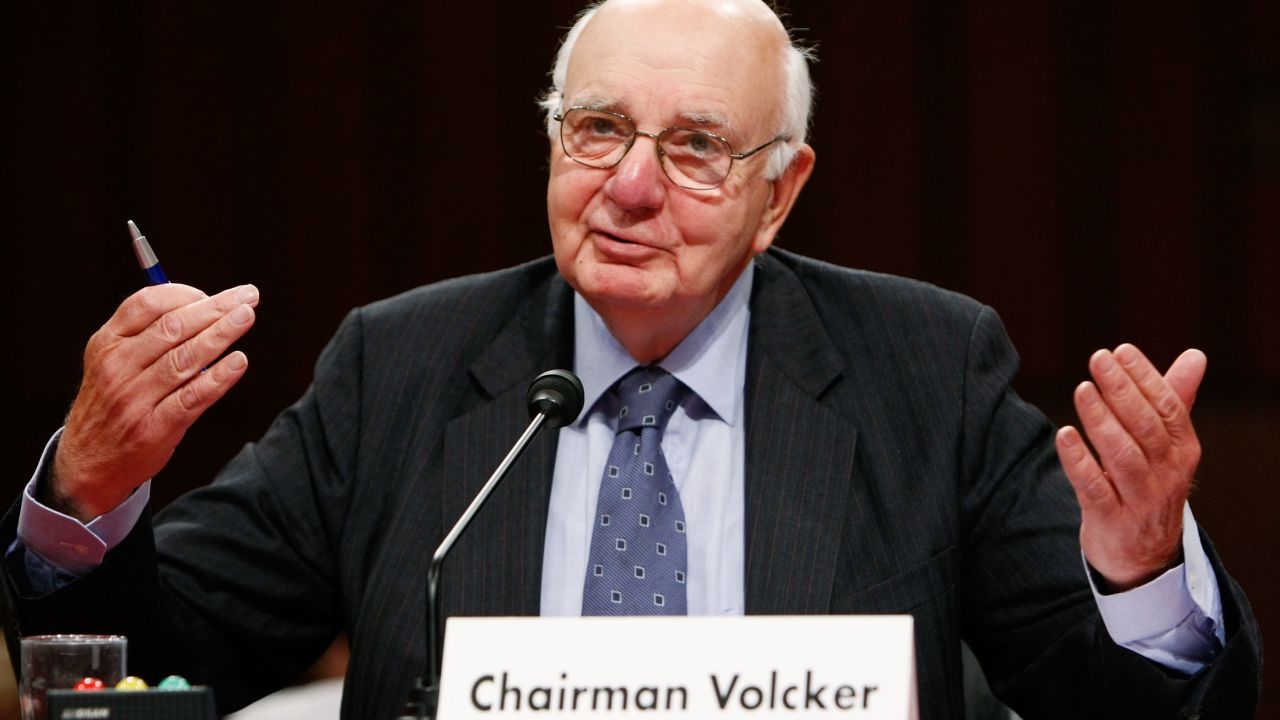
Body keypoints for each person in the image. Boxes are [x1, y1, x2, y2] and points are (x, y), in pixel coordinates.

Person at [1, 0, 1261, 718]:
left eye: (697, 146)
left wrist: (1141, 568)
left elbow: (1114, 708)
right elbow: (156, 674)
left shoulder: (924, 370)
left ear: (779, 194)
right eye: (597, 130)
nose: (631, 188)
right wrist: (88, 498)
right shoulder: (404, 367)